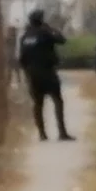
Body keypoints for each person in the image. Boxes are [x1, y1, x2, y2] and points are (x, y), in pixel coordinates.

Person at [19, 9, 74, 141]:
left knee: (38, 104)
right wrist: (51, 29)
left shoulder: (25, 37)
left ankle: (42, 134)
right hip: (47, 72)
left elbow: (22, 59)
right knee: (58, 101)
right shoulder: (45, 33)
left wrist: (27, 75)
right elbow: (62, 40)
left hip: (32, 74)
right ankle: (62, 132)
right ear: (41, 20)